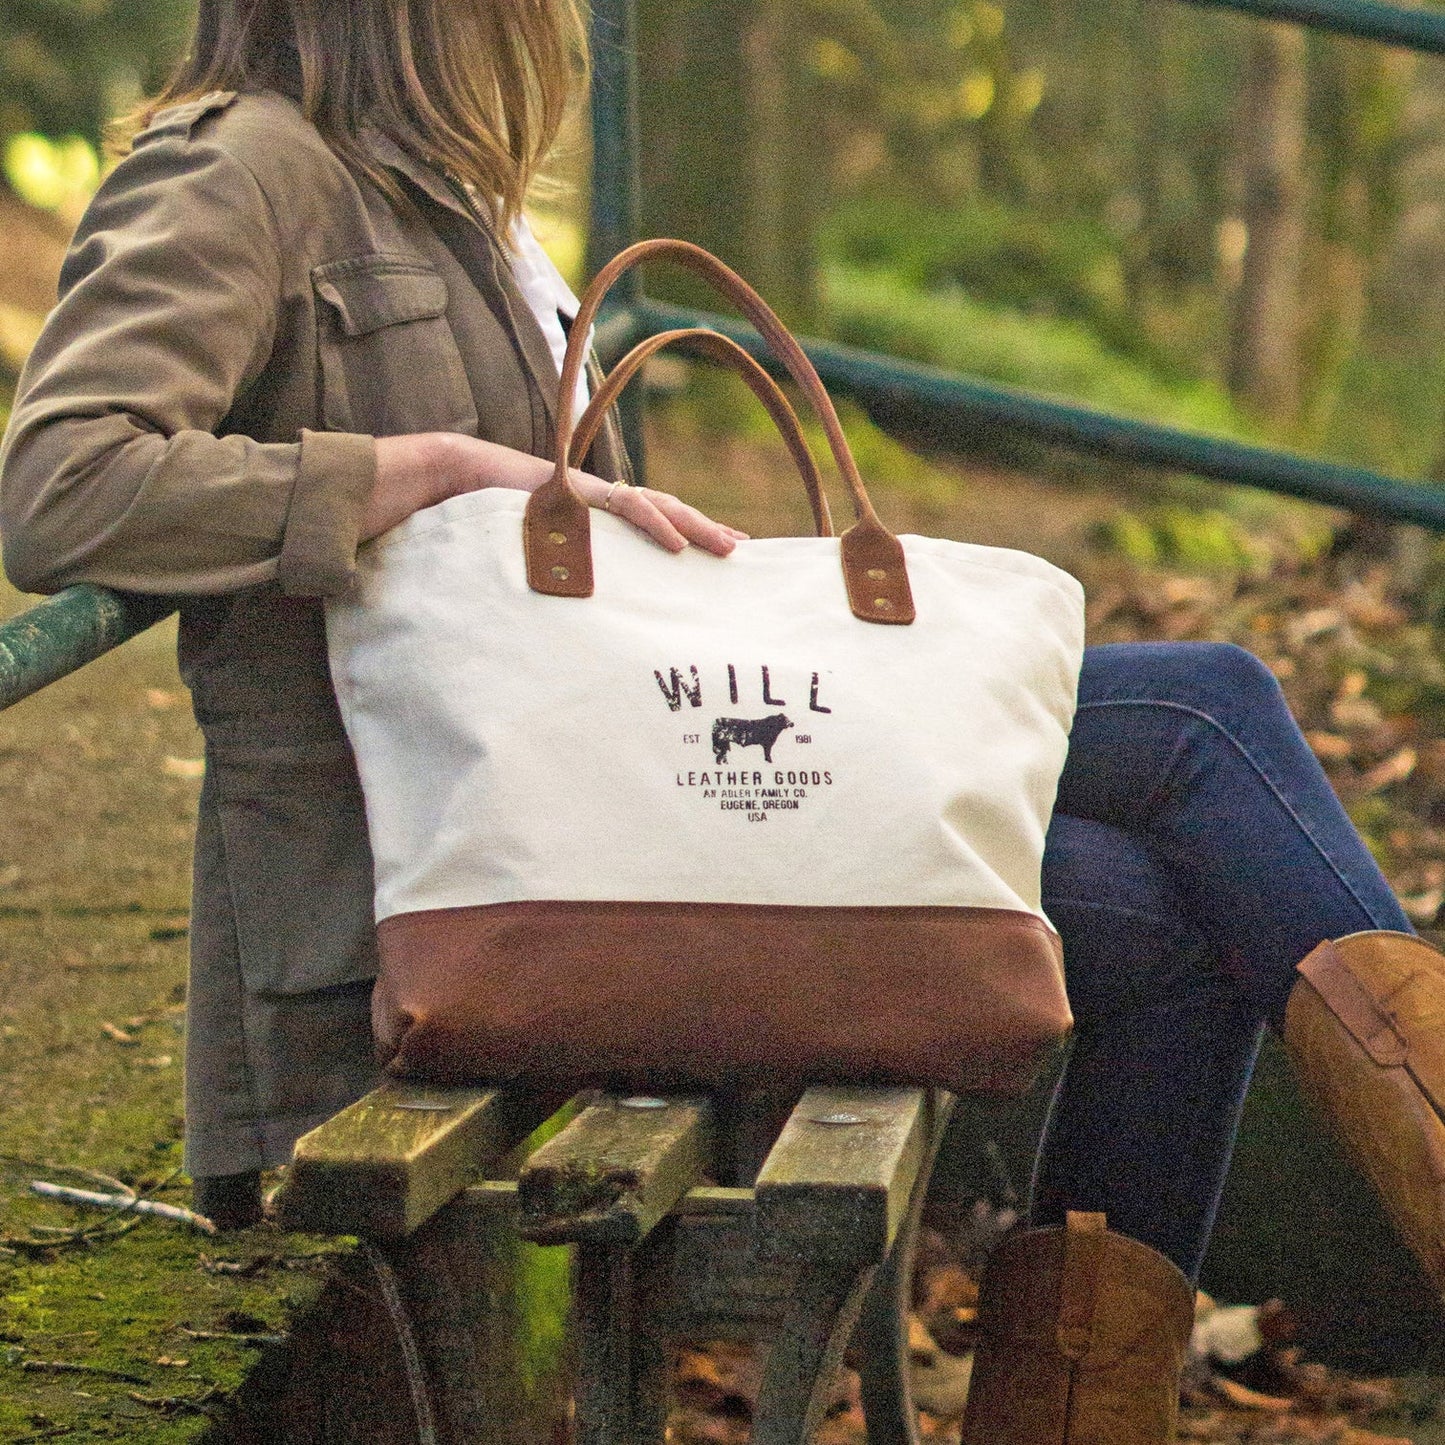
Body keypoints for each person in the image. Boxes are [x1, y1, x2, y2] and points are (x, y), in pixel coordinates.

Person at [0, 4, 1441, 1441]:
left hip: (622, 809)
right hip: (452, 879)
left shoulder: (442, 198)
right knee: (1199, 718)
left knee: (1164, 886)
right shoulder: (240, 169)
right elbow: (63, 482)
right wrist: (409, 470)